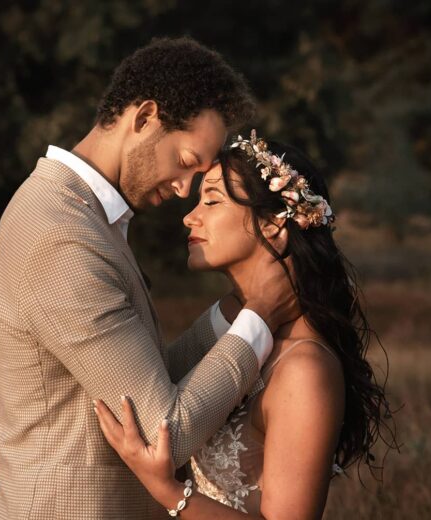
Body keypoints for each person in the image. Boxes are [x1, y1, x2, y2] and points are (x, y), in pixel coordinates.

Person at [0, 39, 300, 519]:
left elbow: (142, 379)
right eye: (187, 162)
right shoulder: (61, 236)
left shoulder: (84, 217)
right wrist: (259, 317)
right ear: (145, 117)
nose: (183, 188)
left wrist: (238, 307)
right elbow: (162, 430)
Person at [93, 131, 394, 518]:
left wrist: (170, 492)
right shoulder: (237, 333)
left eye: (212, 200)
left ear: (272, 225)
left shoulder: (305, 368)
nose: (190, 216)